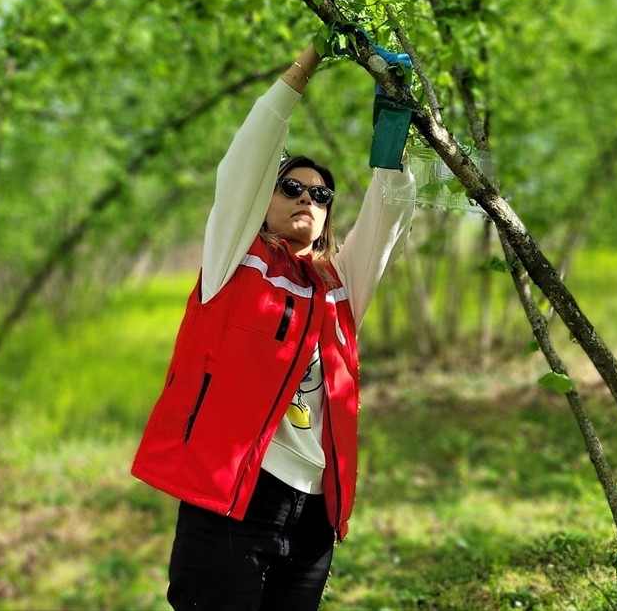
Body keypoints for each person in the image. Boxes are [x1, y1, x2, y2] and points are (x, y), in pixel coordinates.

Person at [131, 42, 416, 610]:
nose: (307, 197)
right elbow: (245, 160)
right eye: (292, 187)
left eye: (321, 195)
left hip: (313, 513)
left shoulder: (338, 287)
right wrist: (309, 61)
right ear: (263, 200)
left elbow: (387, 218)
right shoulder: (234, 261)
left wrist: (393, 117)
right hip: (233, 500)